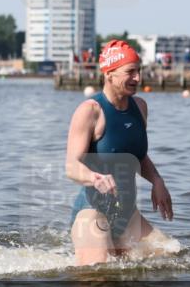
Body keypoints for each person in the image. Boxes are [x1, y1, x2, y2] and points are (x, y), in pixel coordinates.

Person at [66, 40, 174, 265]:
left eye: (139, 71)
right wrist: (93, 177)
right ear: (109, 73)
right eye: (130, 72)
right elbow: (72, 166)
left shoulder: (140, 108)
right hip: (92, 212)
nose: (137, 78)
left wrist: (157, 180)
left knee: (171, 256)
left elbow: (139, 156)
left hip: (127, 214)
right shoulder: (90, 111)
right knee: (99, 275)